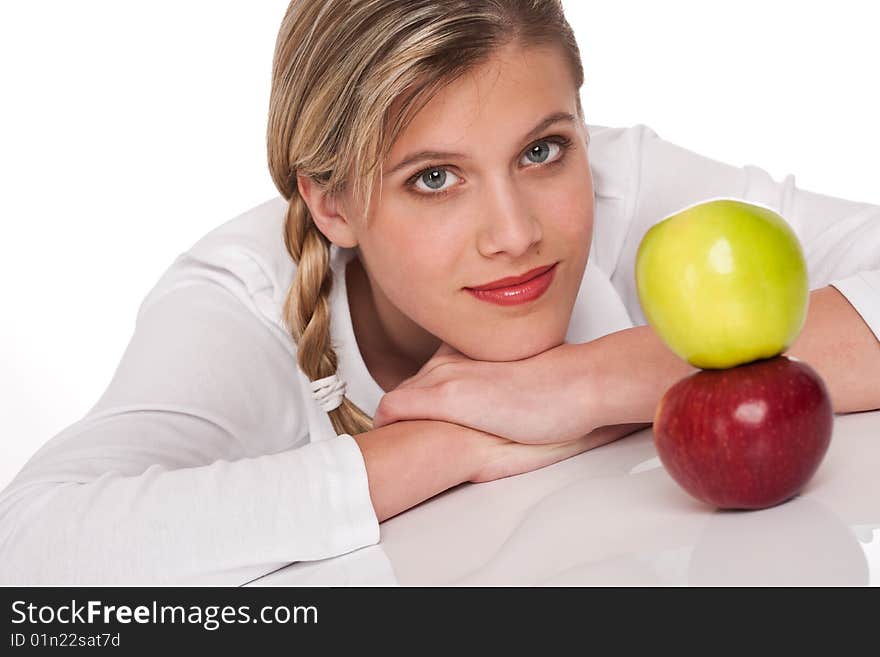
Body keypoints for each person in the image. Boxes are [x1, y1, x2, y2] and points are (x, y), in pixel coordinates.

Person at [1, 0, 878, 586]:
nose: (514, 233)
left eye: (542, 151)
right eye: (433, 178)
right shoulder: (241, 295)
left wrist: (586, 382)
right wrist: (448, 447)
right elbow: (36, 544)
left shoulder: (625, 186)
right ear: (330, 201)